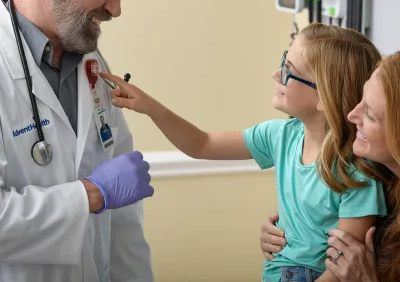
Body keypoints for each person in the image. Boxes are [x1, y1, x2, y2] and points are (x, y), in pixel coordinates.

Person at [101, 23, 389, 282]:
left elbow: (342, 270)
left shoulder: (355, 173)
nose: (276, 73)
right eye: (282, 62)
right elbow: (201, 144)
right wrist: (149, 106)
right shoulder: (281, 136)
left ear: (324, 98)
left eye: (289, 71)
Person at [0, 0, 154, 282]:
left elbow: (125, 219)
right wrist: (91, 195)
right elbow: (104, 194)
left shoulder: (92, 62)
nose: (116, 8)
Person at [259, 52, 400, 282]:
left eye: (371, 115)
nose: (351, 115)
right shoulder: (380, 183)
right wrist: (286, 240)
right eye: (361, 101)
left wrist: (366, 279)